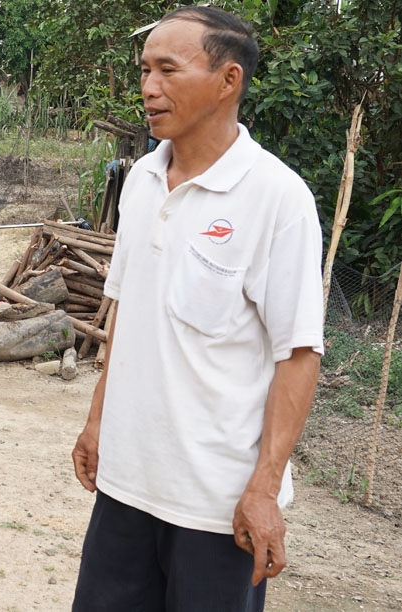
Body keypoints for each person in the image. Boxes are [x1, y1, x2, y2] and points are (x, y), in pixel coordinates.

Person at [70, 7, 324, 611]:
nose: (148, 88)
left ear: (228, 80)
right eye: (144, 71)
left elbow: (299, 353)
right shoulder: (140, 181)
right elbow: (128, 315)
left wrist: (263, 488)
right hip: (126, 488)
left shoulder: (277, 198)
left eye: (167, 70)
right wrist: (98, 419)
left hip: (216, 506)